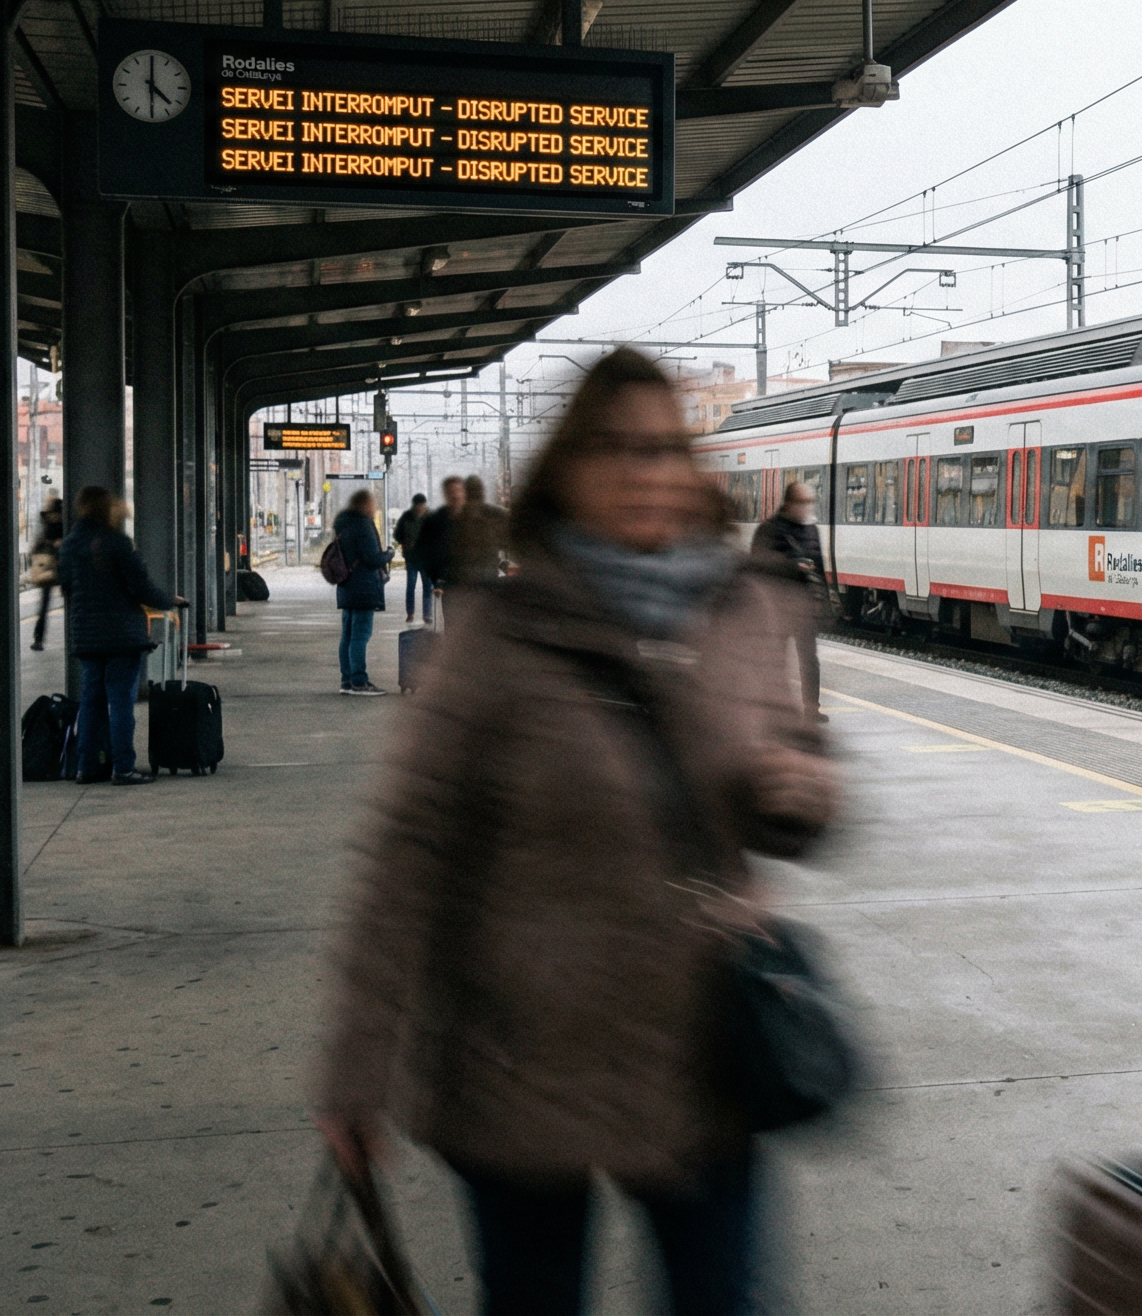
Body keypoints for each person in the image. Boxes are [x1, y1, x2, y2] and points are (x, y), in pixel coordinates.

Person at [315, 346, 836, 1316]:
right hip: (522, 1068)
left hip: (702, 1060)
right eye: (613, 449)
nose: (644, 473)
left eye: (663, 449)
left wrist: (798, 787)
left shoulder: (744, 612)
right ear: (566, 470)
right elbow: (409, 852)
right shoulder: (496, 637)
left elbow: (800, 795)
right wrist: (358, 1067)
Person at [57, 486, 185, 784]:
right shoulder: (116, 542)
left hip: (86, 636)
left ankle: (86, 767)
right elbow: (140, 586)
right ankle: (123, 767)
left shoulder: (71, 544)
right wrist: (169, 600)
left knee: (90, 702)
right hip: (122, 635)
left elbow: (66, 587)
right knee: (121, 702)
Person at [750, 479, 827, 722]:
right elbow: (758, 565)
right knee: (777, 659)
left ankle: (812, 709)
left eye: (810, 503)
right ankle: (776, 707)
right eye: (803, 502)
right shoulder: (769, 529)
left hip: (803, 607)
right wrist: (793, 566)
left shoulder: (812, 529)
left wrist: (825, 601)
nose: (807, 508)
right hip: (777, 606)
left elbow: (820, 567)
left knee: (809, 661)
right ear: (789, 503)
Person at [331, 489, 394, 695]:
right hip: (364, 587)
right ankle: (359, 681)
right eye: (373, 504)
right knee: (360, 635)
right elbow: (372, 559)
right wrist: (388, 554)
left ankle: (347, 680)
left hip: (347, 586)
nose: (375, 507)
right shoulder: (363, 525)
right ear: (366, 505)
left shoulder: (343, 524)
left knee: (347, 635)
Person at [414, 476, 463, 626]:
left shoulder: (474, 519)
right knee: (453, 626)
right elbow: (425, 551)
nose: (456, 495)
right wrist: (438, 580)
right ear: (446, 494)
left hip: (475, 584)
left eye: (459, 490)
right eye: (452, 491)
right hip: (450, 585)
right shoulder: (436, 520)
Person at [450, 475, 511, 587]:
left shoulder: (454, 517)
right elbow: (508, 543)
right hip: (489, 577)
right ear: (482, 491)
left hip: (463, 580)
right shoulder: (496, 514)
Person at [29, 491, 64, 650]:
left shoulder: (46, 523)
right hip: (58, 566)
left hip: (50, 567)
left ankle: (38, 639)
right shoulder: (58, 524)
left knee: (44, 604)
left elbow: (37, 546)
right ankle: (39, 638)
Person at [393, 493, 429, 624]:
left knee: (427, 588)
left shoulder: (430, 517)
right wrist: (405, 542)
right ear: (414, 505)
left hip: (426, 559)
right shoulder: (406, 517)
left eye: (422, 506)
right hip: (412, 558)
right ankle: (410, 613)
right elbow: (397, 534)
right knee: (410, 587)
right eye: (418, 506)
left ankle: (427, 614)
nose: (420, 508)